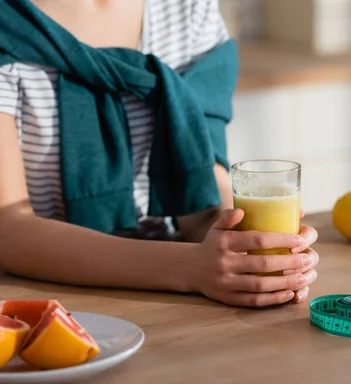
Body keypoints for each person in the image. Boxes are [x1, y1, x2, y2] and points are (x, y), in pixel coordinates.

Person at [0, 0, 319, 307]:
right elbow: (8, 228)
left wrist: (239, 249)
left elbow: (202, 190)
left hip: (172, 299)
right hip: (43, 296)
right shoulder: (8, 23)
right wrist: (191, 267)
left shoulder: (187, 9)